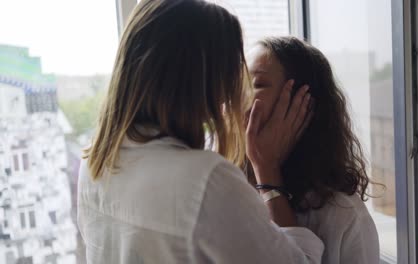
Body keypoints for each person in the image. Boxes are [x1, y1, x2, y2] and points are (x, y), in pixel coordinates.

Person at [77, 1, 324, 263]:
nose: (241, 91)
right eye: (234, 71)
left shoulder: (94, 162)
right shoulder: (206, 180)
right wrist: (269, 173)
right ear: (204, 78)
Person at [246, 36, 380, 264]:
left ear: (303, 104)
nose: (237, 96)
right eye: (239, 83)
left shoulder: (343, 217)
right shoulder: (228, 187)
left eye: (257, 84)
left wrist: (267, 170)